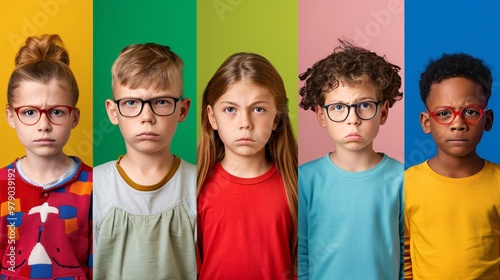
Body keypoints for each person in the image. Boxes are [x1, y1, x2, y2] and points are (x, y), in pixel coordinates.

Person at [298, 40, 404, 279]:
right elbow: (300, 253)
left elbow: (404, 252)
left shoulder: (402, 180)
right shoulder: (304, 179)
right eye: (338, 107)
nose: (352, 119)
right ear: (321, 115)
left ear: (383, 112)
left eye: (365, 105)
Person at [93, 43, 195, 279]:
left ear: (182, 110)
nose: (147, 117)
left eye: (161, 102)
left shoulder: (201, 185)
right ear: (112, 111)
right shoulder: (92, 186)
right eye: (131, 103)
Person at [197, 52, 298, 279]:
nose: (245, 124)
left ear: (276, 119)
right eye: (230, 109)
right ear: (212, 117)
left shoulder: (297, 187)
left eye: (258, 109)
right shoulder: (194, 187)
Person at [0, 34, 92, 279]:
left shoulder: (96, 186)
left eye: (57, 112)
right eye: (29, 112)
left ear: (74, 117)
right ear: (11, 116)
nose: (43, 125)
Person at [404, 53, 500, 279]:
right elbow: (405, 250)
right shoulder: (408, 184)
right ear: (426, 122)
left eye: (470, 112)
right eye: (444, 113)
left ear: (487, 120)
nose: (458, 124)